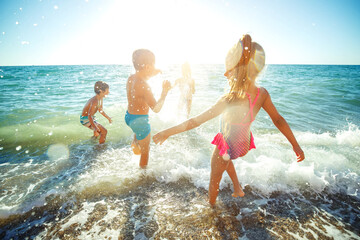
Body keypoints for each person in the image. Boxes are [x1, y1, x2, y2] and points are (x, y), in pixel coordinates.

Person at [153, 34, 305, 206]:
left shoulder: (229, 99)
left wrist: (167, 132)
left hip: (229, 144)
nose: (225, 74)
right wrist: (295, 144)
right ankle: (237, 188)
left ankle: (211, 206)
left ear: (236, 69)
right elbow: (278, 120)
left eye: (228, 70)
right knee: (227, 155)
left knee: (214, 178)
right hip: (244, 143)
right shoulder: (262, 94)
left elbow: (195, 121)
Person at [125, 49, 172, 169]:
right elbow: (156, 109)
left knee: (137, 131)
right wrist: (164, 93)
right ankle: (143, 175)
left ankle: (135, 142)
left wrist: (154, 71)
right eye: (153, 65)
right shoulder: (145, 87)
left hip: (129, 117)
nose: (154, 68)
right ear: (147, 67)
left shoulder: (131, 78)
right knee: (145, 152)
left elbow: (145, 74)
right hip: (141, 121)